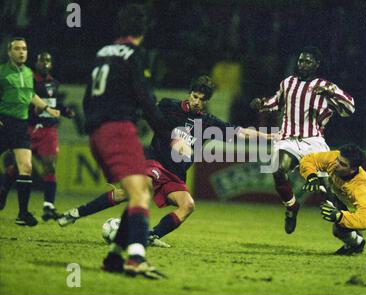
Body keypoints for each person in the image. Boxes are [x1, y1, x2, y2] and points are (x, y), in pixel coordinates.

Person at [58, 75, 272, 247]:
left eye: (201, 99)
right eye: (194, 96)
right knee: (136, 191)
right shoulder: (169, 106)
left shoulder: (208, 123)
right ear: (189, 94)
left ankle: (151, 235)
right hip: (155, 163)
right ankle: (77, 213)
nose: (196, 101)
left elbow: (240, 132)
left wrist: (267, 136)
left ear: (207, 101)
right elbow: (144, 111)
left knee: (188, 205)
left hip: (175, 175)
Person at [82, 4, 174, 279]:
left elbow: (88, 99)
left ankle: (113, 257)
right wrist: (168, 136)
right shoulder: (135, 55)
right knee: (140, 194)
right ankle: (136, 258)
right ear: (143, 30)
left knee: (137, 192)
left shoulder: (102, 53)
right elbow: (146, 100)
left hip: (97, 133)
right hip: (119, 130)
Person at [249, 46, 355, 234]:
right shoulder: (287, 83)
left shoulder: (325, 86)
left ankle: (352, 235)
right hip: (288, 139)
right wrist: (262, 104)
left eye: (307, 61)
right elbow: (276, 101)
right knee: (278, 168)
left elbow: (350, 108)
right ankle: (291, 207)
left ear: (316, 64)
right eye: (300, 61)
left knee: (327, 193)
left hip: (314, 141)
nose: (302, 64)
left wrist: (331, 93)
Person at [0, 52, 75, 221]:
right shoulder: (28, 78)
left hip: (48, 130)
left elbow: (54, 101)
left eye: (48, 60)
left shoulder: (54, 82)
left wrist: (64, 111)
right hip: (29, 128)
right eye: (42, 60)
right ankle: (4, 191)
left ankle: (48, 206)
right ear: (36, 62)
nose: (45, 63)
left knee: (50, 166)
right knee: (18, 166)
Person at [300, 144, 366, 255]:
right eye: (338, 160)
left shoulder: (360, 189)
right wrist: (311, 177)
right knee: (324, 190)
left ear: (352, 169)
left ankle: (357, 244)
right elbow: (308, 160)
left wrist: (340, 216)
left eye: (342, 164)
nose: (336, 164)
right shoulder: (335, 158)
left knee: (339, 230)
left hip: (365, 203)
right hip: (341, 194)